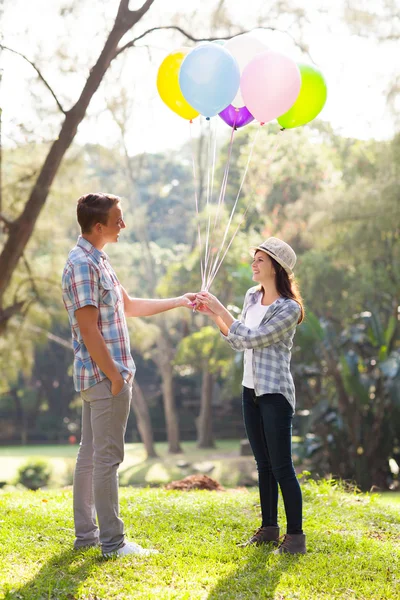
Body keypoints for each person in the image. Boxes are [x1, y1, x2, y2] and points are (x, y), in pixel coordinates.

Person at [62, 192, 195, 558]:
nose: (124, 224)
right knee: (106, 459)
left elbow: (130, 305)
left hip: (105, 377)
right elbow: (88, 329)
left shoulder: (99, 260)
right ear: (99, 225)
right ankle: (112, 543)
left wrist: (180, 300)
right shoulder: (82, 265)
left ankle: (87, 537)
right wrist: (116, 377)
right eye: (118, 219)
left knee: (90, 456)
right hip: (105, 379)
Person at [195, 237, 306, 555]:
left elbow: (254, 338)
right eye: (254, 258)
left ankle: (295, 538)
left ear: (276, 266)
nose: (253, 264)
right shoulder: (251, 296)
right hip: (250, 390)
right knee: (263, 465)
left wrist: (220, 309)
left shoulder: (289, 309)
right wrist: (214, 316)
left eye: (260, 259)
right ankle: (269, 529)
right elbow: (236, 340)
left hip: (274, 394)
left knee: (282, 466)